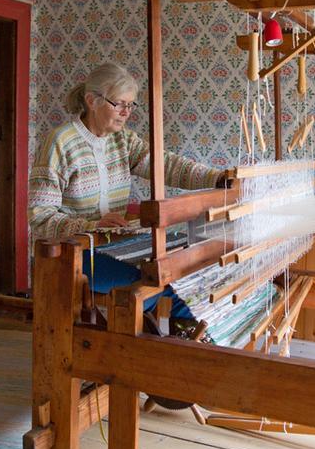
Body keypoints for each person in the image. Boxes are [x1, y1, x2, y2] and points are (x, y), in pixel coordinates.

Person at [28, 61, 226, 318]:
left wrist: (219, 178)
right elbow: (40, 218)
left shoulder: (123, 141)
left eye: (131, 105)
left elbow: (166, 165)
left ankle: (194, 341)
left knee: (189, 265)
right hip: (76, 255)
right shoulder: (60, 142)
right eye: (119, 104)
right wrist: (93, 226)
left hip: (116, 246)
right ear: (92, 100)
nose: (126, 112)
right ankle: (182, 345)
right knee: (159, 278)